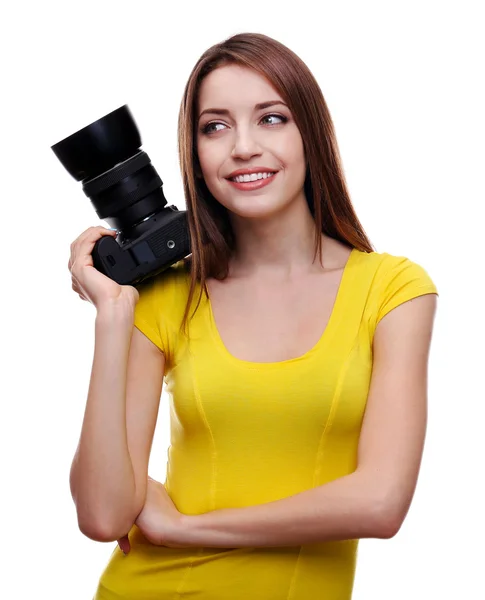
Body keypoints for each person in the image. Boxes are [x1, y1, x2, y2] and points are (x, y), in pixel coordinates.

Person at [68, 32, 438, 600]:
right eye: (214, 127)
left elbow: (381, 503)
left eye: (271, 119)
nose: (242, 148)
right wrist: (113, 315)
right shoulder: (169, 297)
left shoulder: (391, 290)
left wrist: (187, 528)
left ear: (311, 134)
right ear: (195, 153)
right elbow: (102, 514)